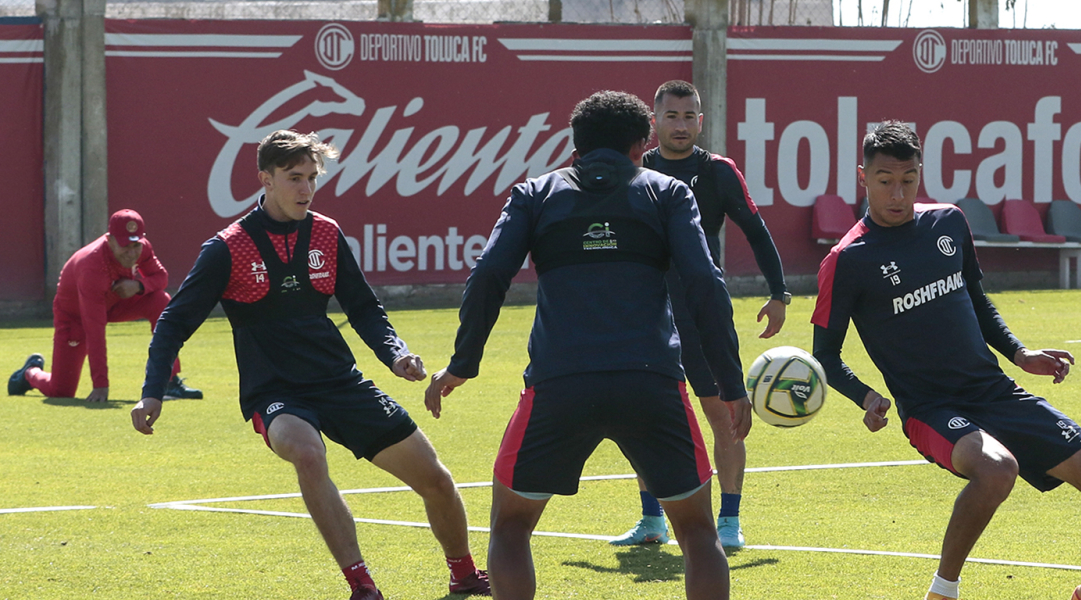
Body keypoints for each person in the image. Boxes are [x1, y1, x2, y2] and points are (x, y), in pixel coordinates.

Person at [129, 130, 489, 600]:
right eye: (294, 178)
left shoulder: (326, 232)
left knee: (436, 480)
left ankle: (464, 574)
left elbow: (363, 307)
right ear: (266, 179)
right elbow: (173, 323)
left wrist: (395, 353)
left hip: (341, 382)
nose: (306, 188)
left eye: (312, 177)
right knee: (307, 452)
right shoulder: (227, 247)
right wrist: (152, 391)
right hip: (276, 393)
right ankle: (362, 584)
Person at [424, 91, 751, 600]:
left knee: (510, 528)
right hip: (652, 384)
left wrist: (463, 363)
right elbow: (705, 286)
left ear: (574, 147)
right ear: (641, 146)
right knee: (697, 532)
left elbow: (488, 274)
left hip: (558, 385)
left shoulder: (534, 194)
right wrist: (731, 384)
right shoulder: (667, 192)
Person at [811, 121, 1081, 600]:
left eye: (908, 179)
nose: (897, 193)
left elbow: (978, 303)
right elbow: (825, 355)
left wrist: (1020, 354)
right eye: (885, 181)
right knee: (997, 469)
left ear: (920, 174)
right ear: (863, 178)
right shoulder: (847, 259)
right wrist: (866, 397)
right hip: (930, 409)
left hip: (994, 391)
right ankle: (943, 591)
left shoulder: (948, 222)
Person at [610, 79, 789, 550]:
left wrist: (779, 293)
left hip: (701, 311)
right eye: (672, 116)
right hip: (647, 314)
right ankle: (651, 520)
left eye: (689, 116)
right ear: (654, 122)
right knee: (643, 415)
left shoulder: (718, 172)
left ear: (701, 121)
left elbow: (756, 230)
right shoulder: (637, 169)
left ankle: (729, 522)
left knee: (724, 413)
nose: (681, 125)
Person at [9, 209, 201, 402]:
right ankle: (30, 372)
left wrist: (139, 285)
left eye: (136, 245)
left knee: (161, 300)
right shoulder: (92, 266)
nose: (132, 253)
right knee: (61, 391)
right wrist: (101, 385)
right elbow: (94, 330)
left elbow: (161, 277)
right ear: (109, 240)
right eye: (125, 246)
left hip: (115, 304)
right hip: (75, 317)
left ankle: (169, 382)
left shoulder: (142, 248)